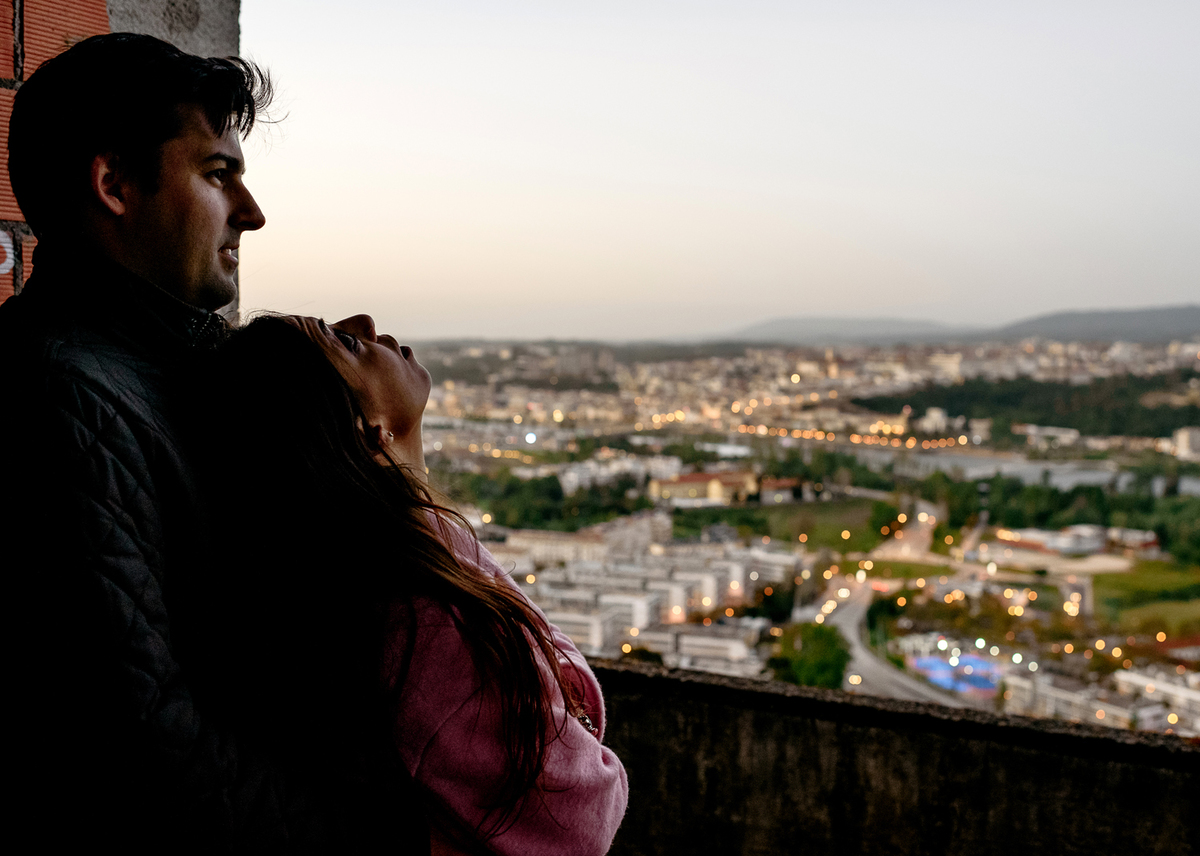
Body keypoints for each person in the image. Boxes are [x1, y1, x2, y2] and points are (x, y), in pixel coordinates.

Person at [0, 34, 411, 851]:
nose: (251, 212)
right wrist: (392, 839)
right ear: (115, 186)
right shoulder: (59, 398)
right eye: (219, 173)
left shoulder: (171, 372)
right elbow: (143, 753)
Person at [175, 313, 629, 855]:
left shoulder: (372, 585)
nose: (366, 323)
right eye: (347, 343)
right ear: (368, 428)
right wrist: (573, 707)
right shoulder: (427, 625)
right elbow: (585, 812)